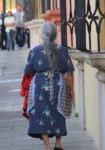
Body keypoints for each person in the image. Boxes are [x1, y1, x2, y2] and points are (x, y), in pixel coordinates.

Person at [24, 22, 75, 150]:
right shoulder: (62, 50)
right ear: (55, 34)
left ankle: (47, 146)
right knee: (59, 112)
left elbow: (28, 71)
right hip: (59, 84)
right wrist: (72, 89)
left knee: (41, 114)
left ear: (42, 34)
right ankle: (58, 143)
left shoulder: (35, 51)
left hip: (40, 84)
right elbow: (69, 71)